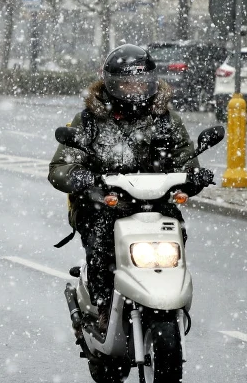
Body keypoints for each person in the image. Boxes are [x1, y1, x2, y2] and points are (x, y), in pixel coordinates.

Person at [49, 45, 214, 326]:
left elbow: (185, 159)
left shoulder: (166, 120)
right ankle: (102, 307)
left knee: (176, 233)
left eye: (140, 82)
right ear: (110, 84)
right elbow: (60, 166)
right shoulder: (89, 120)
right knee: (101, 243)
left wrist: (193, 176)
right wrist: (79, 176)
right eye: (126, 83)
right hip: (103, 201)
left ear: (151, 81)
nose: (133, 89)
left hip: (156, 203)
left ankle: (173, 295)